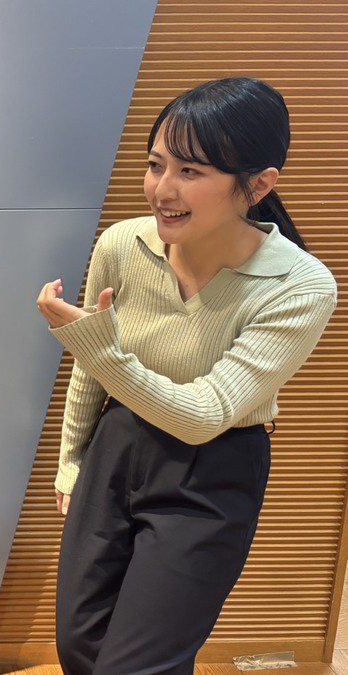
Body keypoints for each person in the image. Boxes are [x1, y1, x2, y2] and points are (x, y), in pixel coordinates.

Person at [36, 77, 336, 674]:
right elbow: (91, 371)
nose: (162, 189)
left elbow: (203, 415)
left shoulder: (300, 285)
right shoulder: (121, 244)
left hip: (213, 468)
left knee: (137, 666)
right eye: (156, 165)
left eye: (190, 171)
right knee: (80, 647)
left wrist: (98, 347)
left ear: (258, 185)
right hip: (117, 445)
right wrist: (73, 461)